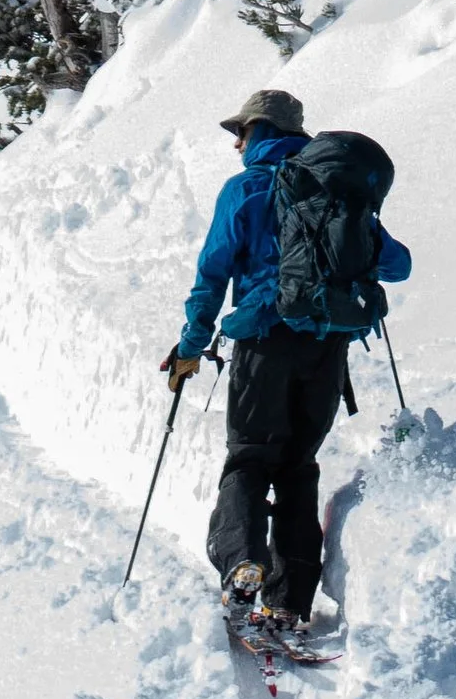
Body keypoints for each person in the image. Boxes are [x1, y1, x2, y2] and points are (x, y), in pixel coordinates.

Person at [163, 85, 410, 637]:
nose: (236, 144)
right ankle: (289, 601)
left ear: (261, 132)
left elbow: (212, 275)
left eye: (242, 132)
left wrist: (190, 346)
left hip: (262, 343)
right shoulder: (334, 188)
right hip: (326, 348)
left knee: (250, 459)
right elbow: (398, 265)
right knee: (299, 468)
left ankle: (243, 562)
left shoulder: (245, 188)